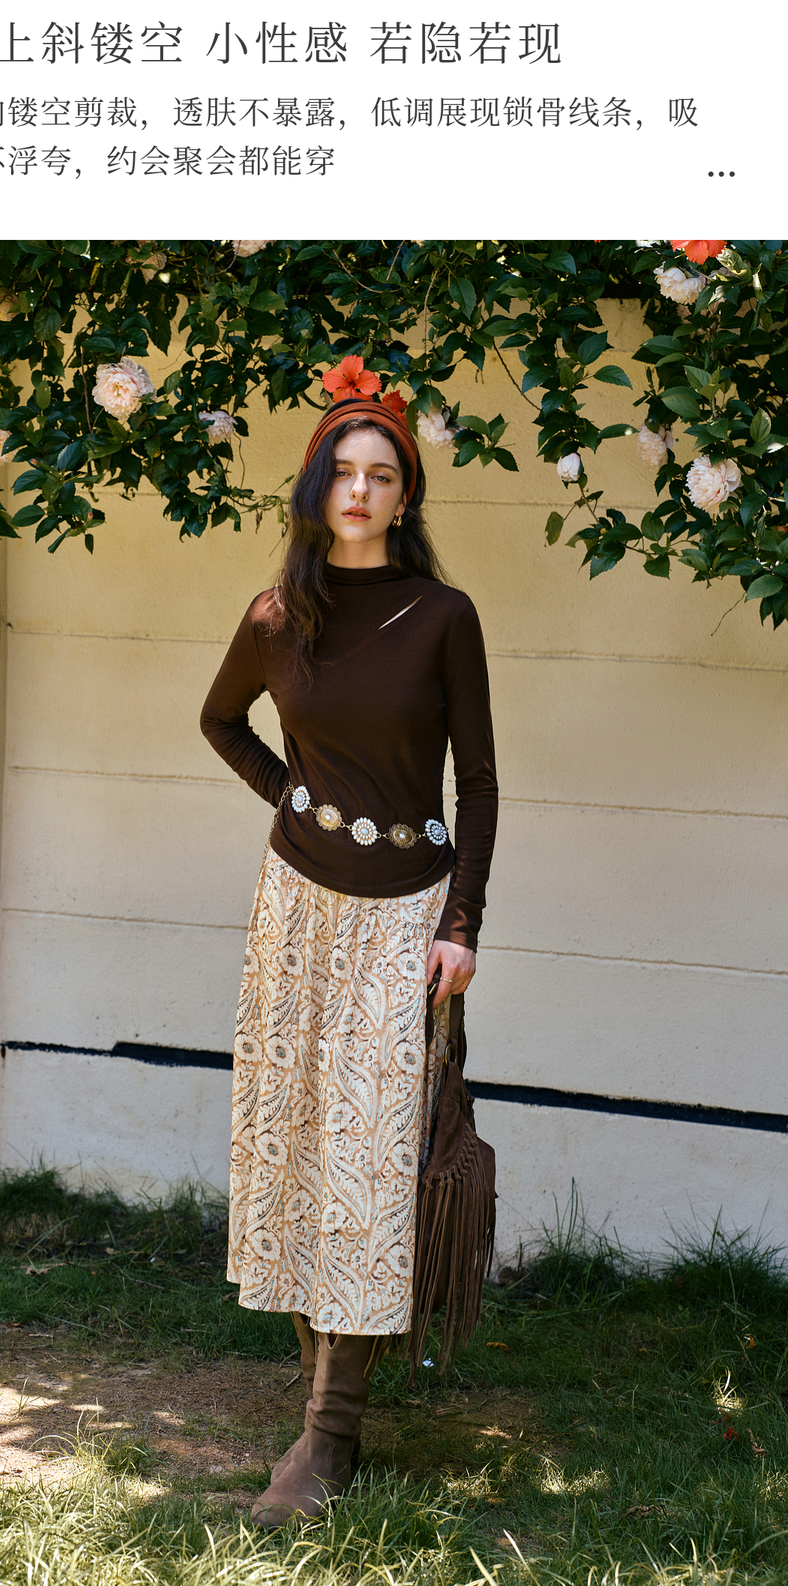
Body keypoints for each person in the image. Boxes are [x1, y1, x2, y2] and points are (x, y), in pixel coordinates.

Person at [200, 392, 498, 1528]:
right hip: (295, 908)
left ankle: (330, 1436)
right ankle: (319, 1390)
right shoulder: (278, 615)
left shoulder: (442, 616)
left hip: (405, 917)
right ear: (317, 486)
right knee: (294, 1141)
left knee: (373, 1161)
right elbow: (221, 720)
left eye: (383, 474)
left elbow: (480, 783)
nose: (361, 490)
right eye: (345, 471)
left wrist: (462, 923)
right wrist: (296, 798)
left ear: (406, 496)